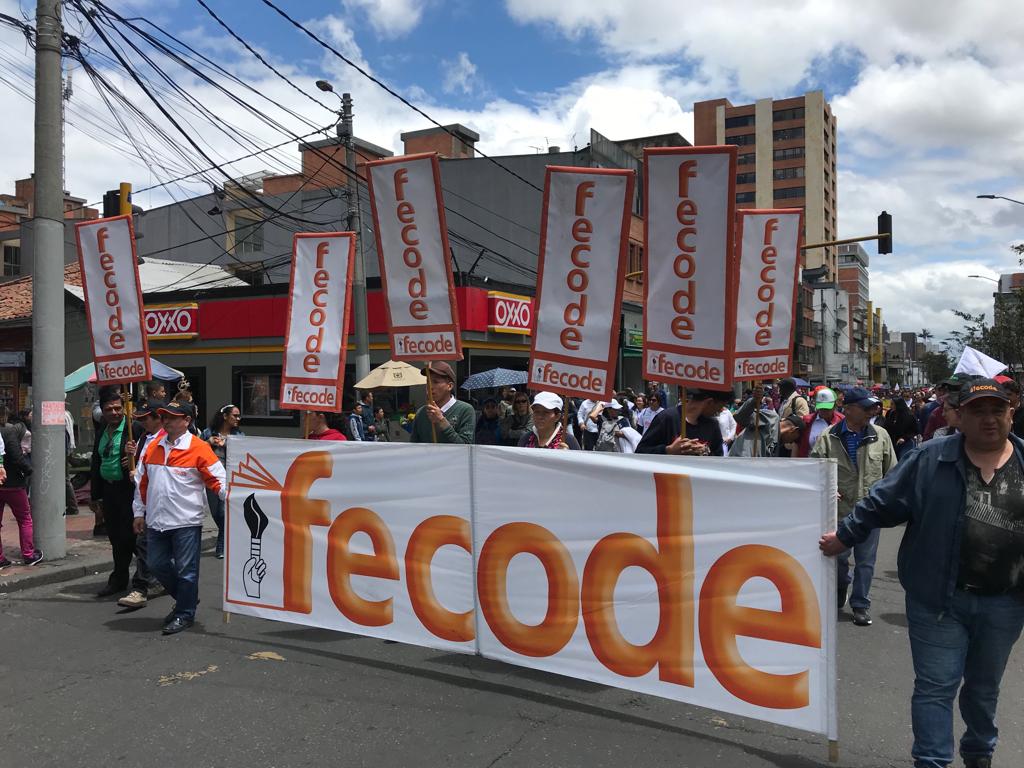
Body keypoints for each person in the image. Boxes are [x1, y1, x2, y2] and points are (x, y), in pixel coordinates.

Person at [820, 379, 1024, 768]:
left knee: (983, 690)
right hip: (938, 601)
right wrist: (844, 536)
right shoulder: (929, 459)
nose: (989, 419)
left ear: (1011, 413)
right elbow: (881, 502)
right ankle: (931, 761)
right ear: (959, 416)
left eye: (997, 410)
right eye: (978, 411)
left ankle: (979, 753)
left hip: (1005, 603)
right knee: (935, 688)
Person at [133, 401, 226, 635]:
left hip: (185, 521)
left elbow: (219, 481)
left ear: (186, 421)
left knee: (187, 570)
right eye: (164, 416)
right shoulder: (153, 446)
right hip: (156, 520)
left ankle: (184, 613)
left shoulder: (199, 448)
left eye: (173, 417)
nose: (167, 421)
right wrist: (138, 512)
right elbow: (142, 483)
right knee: (155, 564)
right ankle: (187, 599)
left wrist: (235, 496)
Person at [810, 386, 897, 626]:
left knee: (866, 562)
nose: (873, 410)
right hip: (838, 513)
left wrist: (884, 500)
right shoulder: (829, 437)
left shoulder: (881, 435)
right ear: (848, 410)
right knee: (838, 560)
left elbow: (892, 473)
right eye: (866, 407)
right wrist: (829, 488)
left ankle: (860, 604)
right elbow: (815, 471)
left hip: (870, 512)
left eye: (873, 406)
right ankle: (840, 589)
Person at [90, 386, 149, 599]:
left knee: (134, 537)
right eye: (109, 410)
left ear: (124, 408)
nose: (114, 413)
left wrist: (136, 455)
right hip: (110, 490)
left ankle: (148, 577)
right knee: (116, 538)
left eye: (117, 408)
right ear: (102, 411)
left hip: (130, 491)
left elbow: (151, 453)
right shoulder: (102, 431)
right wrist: (95, 495)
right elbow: (96, 462)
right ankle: (119, 579)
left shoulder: (135, 429)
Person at [0, 405, 42, 568]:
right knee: (24, 518)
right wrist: (28, 470)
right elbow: (16, 456)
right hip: (13, 483)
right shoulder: (8, 431)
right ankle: (29, 554)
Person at [201, 404, 243, 559]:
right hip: (211, 480)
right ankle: (231, 538)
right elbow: (196, 449)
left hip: (230, 479)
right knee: (216, 514)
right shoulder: (208, 433)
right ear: (225, 416)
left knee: (223, 512)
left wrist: (226, 445)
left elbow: (243, 454)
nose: (238, 419)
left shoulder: (239, 435)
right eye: (235, 415)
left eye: (239, 416)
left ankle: (221, 546)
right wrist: (209, 442)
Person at [636, 389, 729, 456]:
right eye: (720, 406)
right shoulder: (667, 418)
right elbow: (640, 451)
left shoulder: (713, 425)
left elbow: (718, 458)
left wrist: (705, 451)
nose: (721, 410)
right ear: (710, 402)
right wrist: (668, 450)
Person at [411, 362, 475, 444]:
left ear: (449, 386)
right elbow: (414, 446)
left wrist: (441, 421)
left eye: (436, 382)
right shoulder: (421, 412)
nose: (430, 386)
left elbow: (466, 447)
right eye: (428, 382)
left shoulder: (466, 410)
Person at [729, 386, 782, 457]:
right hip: (743, 458)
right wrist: (754, 400)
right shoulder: (770, 417)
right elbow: (739, 417)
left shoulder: (778, 440)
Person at [796, 388, 844, 458]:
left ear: (835, 405)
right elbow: (797, 445)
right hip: (809, 465)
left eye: (827, 408)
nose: (823, 411)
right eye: (821, 408)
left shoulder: (842, 421)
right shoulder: (806, 421)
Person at [777, 378, 810, 456]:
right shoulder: (783, 401)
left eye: (781, 388)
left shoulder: (799, 401)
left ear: (788, 388)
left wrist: (786, 421)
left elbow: (803, 420)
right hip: (782, 442)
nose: (779, 391)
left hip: (793, 444)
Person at [886, 395, 921, 460]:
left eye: (892, 404)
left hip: (906, 443)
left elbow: (915, 430)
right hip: (893, 442)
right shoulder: (891, 413)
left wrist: (905, 438)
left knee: (903, 460)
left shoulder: (909, 415)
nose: (890, 406)